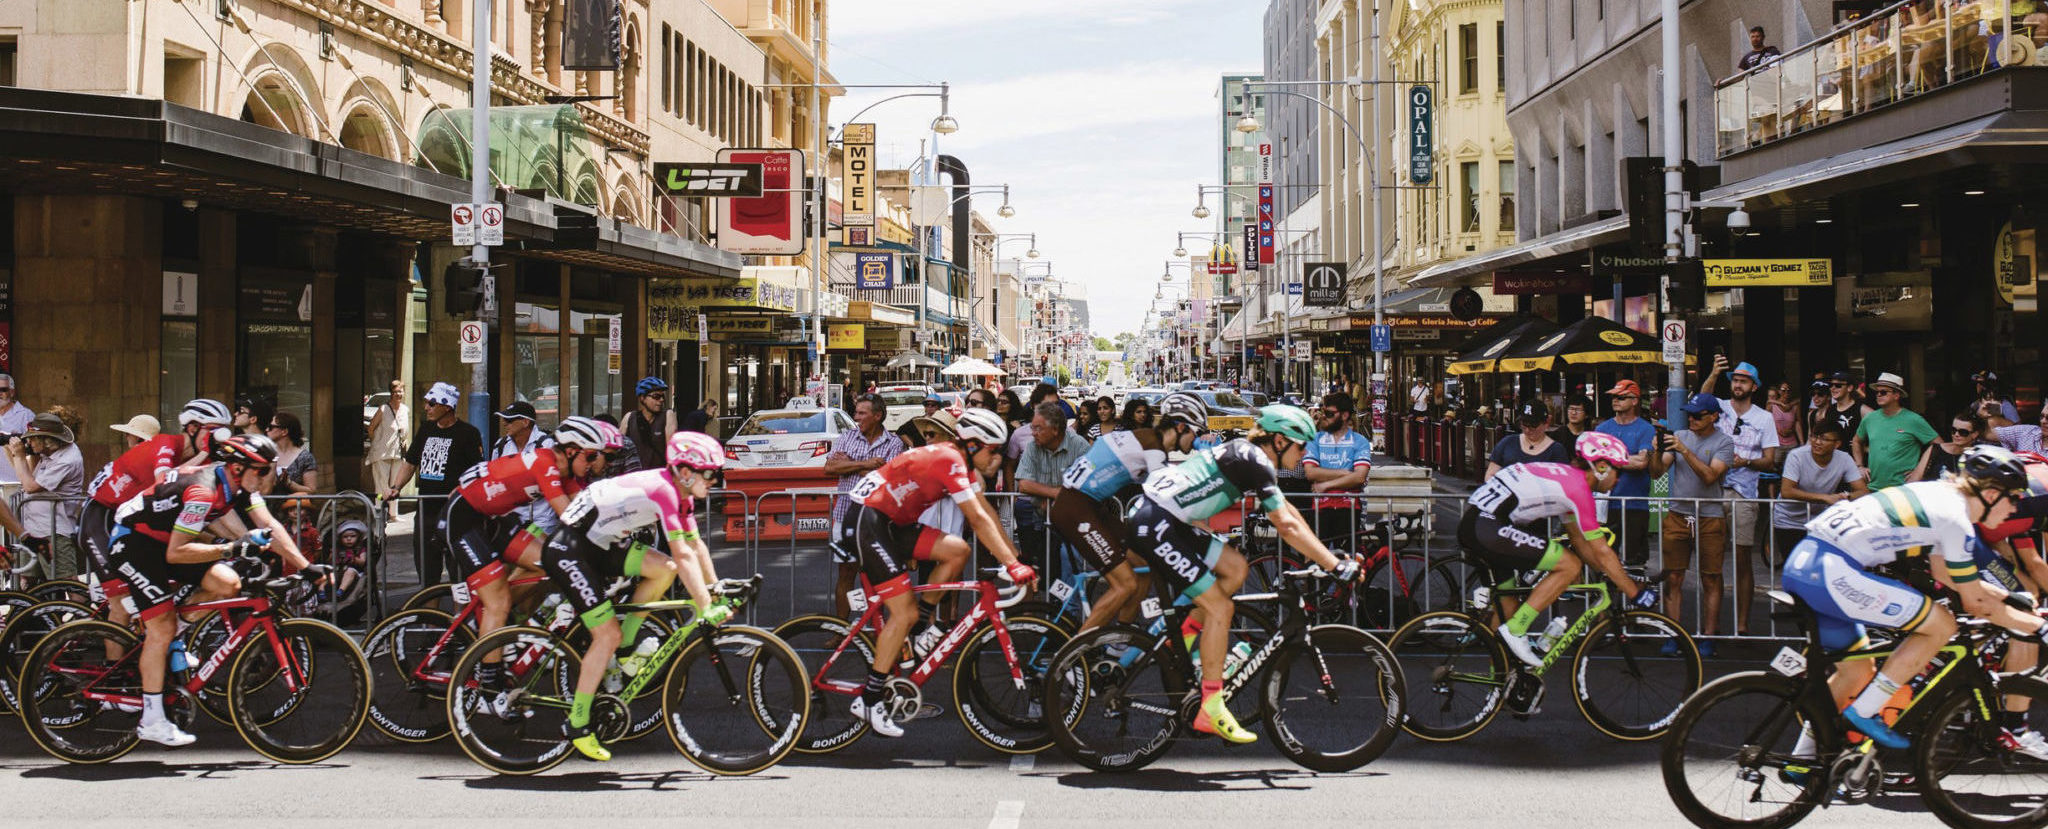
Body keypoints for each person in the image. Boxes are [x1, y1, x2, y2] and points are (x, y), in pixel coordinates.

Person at [1122, 405, 1363, 744]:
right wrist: (1334, 566)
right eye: (1301, 445)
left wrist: (1325, 554)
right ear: (1279, 441)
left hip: (1169, 520)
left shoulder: (1252, 458)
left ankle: (1188, 638)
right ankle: (1211, 705)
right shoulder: (1254, 460)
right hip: (1158, 524)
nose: (1306, 453)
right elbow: (1287, 524)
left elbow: (1288, 511)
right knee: (1221, 607)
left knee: (1235, 568)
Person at [1782, 446, 2048, 752]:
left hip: (1806, 563)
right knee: (1941, 624)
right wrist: (2038, 627)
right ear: (1991, 495)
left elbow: (1946, 574)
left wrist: (2008, 597)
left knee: (1856, 672)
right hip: (1832, 571)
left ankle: (1802, 761)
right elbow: (1975, 603)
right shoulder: (1956, 518)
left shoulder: (1940, 497)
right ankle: (1865, 713)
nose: (2015, 508)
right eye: (2013, 497)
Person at [837, 408, 1038, 738]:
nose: (999, 460)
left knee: (957, 550)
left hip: (888, 522)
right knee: (902, 613)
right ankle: (870, 699)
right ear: (973, 445)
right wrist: (1012, 566)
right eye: (995, 451)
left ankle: (922, 630)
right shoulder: (949, 459)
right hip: (867, 521)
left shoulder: (961, 465)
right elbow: (975, 518)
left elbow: (987, 513)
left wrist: (1015, 558)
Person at [111, 434, 313, 747]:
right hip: (134, 542)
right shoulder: (203, 492)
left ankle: (172, 632)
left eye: (268, 469)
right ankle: (151, 719)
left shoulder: (239, 488)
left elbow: (270, 525)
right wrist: (233, 547)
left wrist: (306, 567)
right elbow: (176, 554)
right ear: (236, 468)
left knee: (228, 583)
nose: (267, 478)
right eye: (261, 471)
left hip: (164, 540)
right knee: (160, 628)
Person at [540, 432, 731, 761]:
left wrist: (717, 591)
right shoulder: (665, 491)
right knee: (605, 635)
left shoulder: (680, 491)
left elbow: (696, 545)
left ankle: (627, 648)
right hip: (571, 549)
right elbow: (684, 553)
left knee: (664, 569)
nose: (716, 481)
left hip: (600, 543)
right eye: (711, 473)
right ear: (686, 472)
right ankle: (578, 723)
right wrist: (705, 607)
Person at [445, 416, 617, 716]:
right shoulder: (545, 464)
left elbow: (589, 510)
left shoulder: (567, 473)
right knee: (497, 599)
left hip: (493, 520)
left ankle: (499, 618)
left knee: (549, 563)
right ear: (572, 451)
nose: (592, 463)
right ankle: (488, 688)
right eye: (590, 456)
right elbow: (571, 516)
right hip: (463, 518)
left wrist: (622, 526)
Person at [1461, 432, 1658, 670]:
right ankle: (1518, 629)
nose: (1619, 480)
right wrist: (1634, 593)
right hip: (1488, 526)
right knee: (1569, 564)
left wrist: (1607, 574)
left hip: (1478, 523)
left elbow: (1580, 541)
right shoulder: (1579, 490)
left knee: (1509, 602)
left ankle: (1498, 681)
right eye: (1619, 471)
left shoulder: (1567, 479)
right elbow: (1602, 552)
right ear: (1602, 467)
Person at [1051, 392, 1199, 632]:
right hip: (1076, 508)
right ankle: (1074, 657)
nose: (1197, 439)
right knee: (1125, 584)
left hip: (1092, 507)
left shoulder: (1148, 438)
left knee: (1143, 567)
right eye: (1196, 432)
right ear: (1181, 427)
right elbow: (1168, 496)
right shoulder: (1154, 446)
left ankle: (1121, 640)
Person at [80, 402, 219, 589]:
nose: (126, 437)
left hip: (129, 520)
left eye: (128, 433)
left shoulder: (180, 454)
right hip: (101, 516)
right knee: (121, 598)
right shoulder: (164, 444)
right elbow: (165, 482)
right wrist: (203, 454)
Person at [1700, 358, 1780, 636]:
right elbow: (1702, 399)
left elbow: (1771, 460)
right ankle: (1713, 622)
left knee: (1743, 558)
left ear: (1754, 387)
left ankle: (1743, 623)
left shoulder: (1764, 418)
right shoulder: (1719, 407)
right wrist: (1713, 373)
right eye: (1734, 379)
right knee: (1713, 558)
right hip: (1713, 489)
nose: (1737, 384)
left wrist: (1745, 461)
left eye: (1743, 381)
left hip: (1744, 492)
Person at [1651, 392, 1734, 653]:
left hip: (1709, 515)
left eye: (1698, 416)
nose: (1692, 420)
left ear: (1713, 417)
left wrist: (1684, 451)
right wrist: (1657, 451)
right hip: (1678, 513)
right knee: (1673, 576)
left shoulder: (1724, 442)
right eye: (1689, 414)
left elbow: (1710, 476)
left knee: (1710, 577)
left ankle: (1709, 635)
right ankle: (1673, 635)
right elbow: (1656, 473)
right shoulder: (1679, 437)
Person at [391, 382, 485, 585]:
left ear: (447, 407)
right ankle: (428, 615)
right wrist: (395, 487)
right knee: (427, 571)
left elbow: (478, 471)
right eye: (426, 403)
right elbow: (410, 462)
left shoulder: (468, 433)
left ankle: (459, 615)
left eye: (432, 404)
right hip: (427, 511)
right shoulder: (425, 429)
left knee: (457, 572)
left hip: (454, 512)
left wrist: (460, 489)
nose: (427, 408)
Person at [824, 394, 904, 619]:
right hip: (844, 514)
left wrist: (848, 465)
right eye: (856, 412)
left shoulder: (893, 443)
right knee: (846, 573)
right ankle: (841, 628)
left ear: (877, 416)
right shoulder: (847, 436)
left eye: (862, 413)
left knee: (875, 575)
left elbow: (888, 477)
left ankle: (874, 626)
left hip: (875, 519)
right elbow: (829, 468)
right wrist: (865, 465)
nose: (856, 417)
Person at [1771, 421, 1868, 560]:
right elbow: (1787, 491)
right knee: (1795, 566)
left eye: (1824, 439)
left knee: (1820, 567)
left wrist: (1845, 496)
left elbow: (1863, 491)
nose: (1817, 442)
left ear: (1837, 444)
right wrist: (1825, 498)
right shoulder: (1797, 455)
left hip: (1820, 522)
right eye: (1814, 437)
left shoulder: (1844, 458)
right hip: (1789, 520)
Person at [1015, 402, 1092, 569]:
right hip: (1041, 516)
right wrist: (1055, 494)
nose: (1033, 433)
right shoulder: (1032, 447)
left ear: (1055, 430)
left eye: (1038, 428)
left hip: (1073, 519)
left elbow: (1088, 485)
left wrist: (1055, 498)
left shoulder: (1079, 446)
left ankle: (1069, 595)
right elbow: (1024, 485)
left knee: (1069, 558)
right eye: (1032, 428)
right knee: (1035, 564)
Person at [10, 412, 85, 582]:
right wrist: (15, 453)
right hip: (34, 530)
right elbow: (25, 476)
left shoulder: (67, 459)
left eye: (32, 438)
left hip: (54, 531)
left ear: (46, 439)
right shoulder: (49, 452)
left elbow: (30, 487)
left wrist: (19, 456)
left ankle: (84, 609)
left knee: (67, 581)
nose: (28, 442)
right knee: (28, 581)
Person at [1596, 380, 1659, 570]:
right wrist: (1625, 460)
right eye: (1614, 397)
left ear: (1634, 401)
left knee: (1636, 561)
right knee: (1605, 557)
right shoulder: (1602, 429)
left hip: (1635, 503)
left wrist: (1610, 458)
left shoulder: (1646, 428)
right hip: (1606, 502)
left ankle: (1634, 597)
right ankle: (1608, 597)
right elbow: (1596, 464)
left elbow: (1642, 462)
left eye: (1621, 397)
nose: (1615, 400)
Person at [1303, 391, 1373, 543]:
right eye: (1323, 412)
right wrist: (1345, 473)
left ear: (1344, 415)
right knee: (1317, 563)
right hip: (1320, 508)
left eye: (1329, 413)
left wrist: (1326, 484)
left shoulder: (1360, 441)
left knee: (1348, 561)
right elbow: (1310, 472)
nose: (1323, 416)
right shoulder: (1315, 439)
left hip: (1349, 508)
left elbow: (1360, 477)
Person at [1854, 372, 1937, 489]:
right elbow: (1856, 441)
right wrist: (1859, 466)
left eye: (1883, 392)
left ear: (1896, 395)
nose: (1878, 395)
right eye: (1877, 392)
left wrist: (1920, 471)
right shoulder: (1870, 418)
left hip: (1903, 488)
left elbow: (1939, 446)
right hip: (1873, 487)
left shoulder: (1914, 420)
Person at [1485, 401, 1573, 481]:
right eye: (1524, 425)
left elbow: (1563, 482)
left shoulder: (1556, 451)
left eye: (1533, 426)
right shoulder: (1507, 443)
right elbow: (1490, 475)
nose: (1527, 430)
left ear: (1546, 423)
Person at [367, 380, 411, 523]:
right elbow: (371, 428)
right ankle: (379, 513)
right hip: (381, 452)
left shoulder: (405, 409)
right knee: (382, 485)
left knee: (395, 484)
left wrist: (403, 441)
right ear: (391, 393)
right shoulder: (383, 409)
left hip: (397, 452)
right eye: (395, 391)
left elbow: (405, 431)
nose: (398, 394)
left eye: (400, 391)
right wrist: (377, 443)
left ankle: (393, 514)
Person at [621, 376, 677, 473]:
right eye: (656, 396)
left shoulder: (668, 416)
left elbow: (671, 450)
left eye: (662, 396)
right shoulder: (630, 417)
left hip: (657, 476)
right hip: (634, 476)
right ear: (642, 398)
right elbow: (619, 449)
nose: (661, 400)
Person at [1915, 411, 1989, 482]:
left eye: (1963, 432)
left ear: (1974, 434)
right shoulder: (1935, 449)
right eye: (1953, 430)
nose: (1956, 434)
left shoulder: (1978, 456)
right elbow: (1916, 477)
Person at [266, 411, 319, 496]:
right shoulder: (267, 455)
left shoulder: (305, 457)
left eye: (271, 427)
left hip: (294, 507)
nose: (267, 430)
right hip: (266, 507)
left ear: (284, 432)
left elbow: (311, 490)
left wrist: (289, 483)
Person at [1812, 371, 1871, 442]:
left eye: (1838, 385)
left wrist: (1864, 448)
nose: (1832, 388)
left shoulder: (1862, 410)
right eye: (1831, 385)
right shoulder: (1830, 409)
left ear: (1849, 388)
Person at [0, 374, 36, 486]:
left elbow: (35, 451)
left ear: (12, 392)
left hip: (15, 484)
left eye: (3, 390)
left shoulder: (26, 416)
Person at [1769, 381, 1803, 451]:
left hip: (1792, 443)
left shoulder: (1795, 406)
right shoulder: (1772, 405)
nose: (1786, 392)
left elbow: (1798, 424)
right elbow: (1767, 423)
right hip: (1777, 444)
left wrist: (1802, 443)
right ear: (1779, 391)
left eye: (1788, 390)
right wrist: (1777, 430)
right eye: (1783, 390)